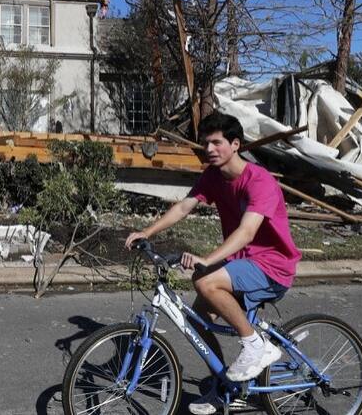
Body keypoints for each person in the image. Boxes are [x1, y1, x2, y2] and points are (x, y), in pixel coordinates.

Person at [125, 112, 301, 415]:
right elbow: (183, 207)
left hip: (272, 267)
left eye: (217, 142)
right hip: (241, 264)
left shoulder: (260, 181)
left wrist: (206, 259)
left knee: (206, 280)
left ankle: (256, 345)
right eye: (205, 143)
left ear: (235, 144)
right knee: (197, 319)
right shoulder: (213, 176)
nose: (209, 149)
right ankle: (224, 388)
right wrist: (146, 232)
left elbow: (247, 232)